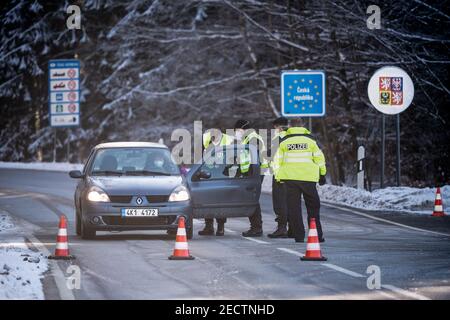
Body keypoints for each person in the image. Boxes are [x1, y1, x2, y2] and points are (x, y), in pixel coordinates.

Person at [275, 118, 327, 243]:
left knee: (294, 208)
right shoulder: (311, 140)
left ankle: (299, 236)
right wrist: (322, 174)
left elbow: (277, 161)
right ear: (302, 125)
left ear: (290, 126)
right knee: (313, 207)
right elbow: (319, 158)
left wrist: (278, 177)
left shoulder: (284, 142)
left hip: (290, 179)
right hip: (308, 179)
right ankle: (317, 235)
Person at [198, 128, 233, 236]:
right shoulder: (207, 144)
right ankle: (209, 226)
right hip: (208, 177)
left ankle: (220, 227)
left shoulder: (226, 144)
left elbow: (230, 161)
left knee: (220, 203)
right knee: (207, 202)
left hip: (221, 176)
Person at [234, 119, 264, 237]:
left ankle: (256, 227)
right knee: (252, 199)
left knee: (252, 199)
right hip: (253, 172)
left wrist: (242, 171)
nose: (237, 132)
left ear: (243, 128)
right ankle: (256, 227)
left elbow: (252, 159)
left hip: (255, 172)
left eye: (237, 130)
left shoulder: (252, 139)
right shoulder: (248, 138)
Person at [267, 116, 291, 238]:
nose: (274, 129)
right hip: (293, 175)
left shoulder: (279, 138)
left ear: (280, 127)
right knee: (291, 202)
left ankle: (282, 228)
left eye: (275, 127)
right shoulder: (293, 137)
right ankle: (292, 228)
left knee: (279, 203)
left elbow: (274, 158)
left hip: (280, 175)